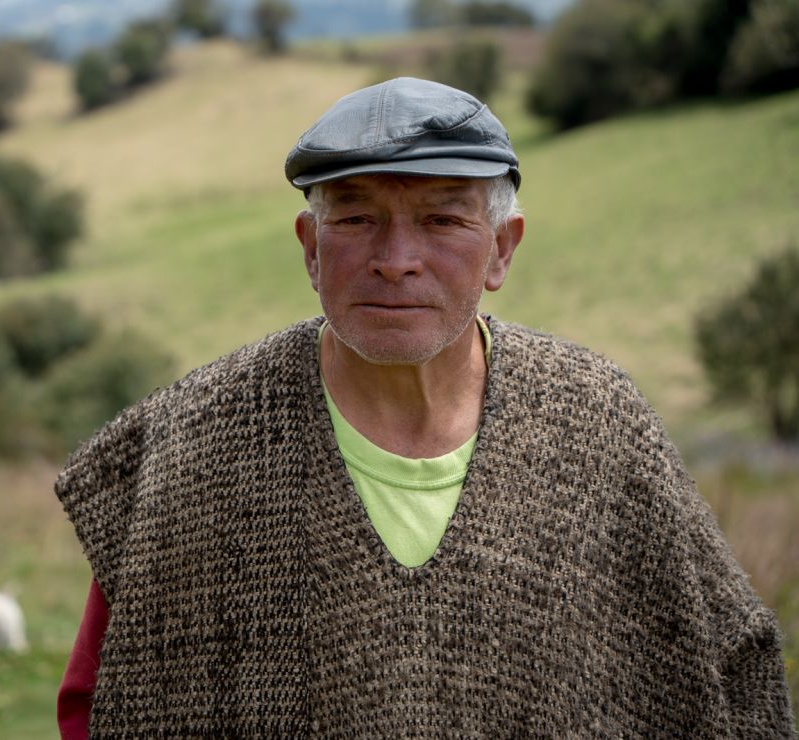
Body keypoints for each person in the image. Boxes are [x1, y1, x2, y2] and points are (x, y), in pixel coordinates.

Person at [53, 77, 795, 736]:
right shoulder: (192, 445)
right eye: (355, 219)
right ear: (310, 247)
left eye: (443, 220)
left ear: (502, 248)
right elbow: (101, 699)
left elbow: (733, 672)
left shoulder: (599, 426)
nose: (396, 258)